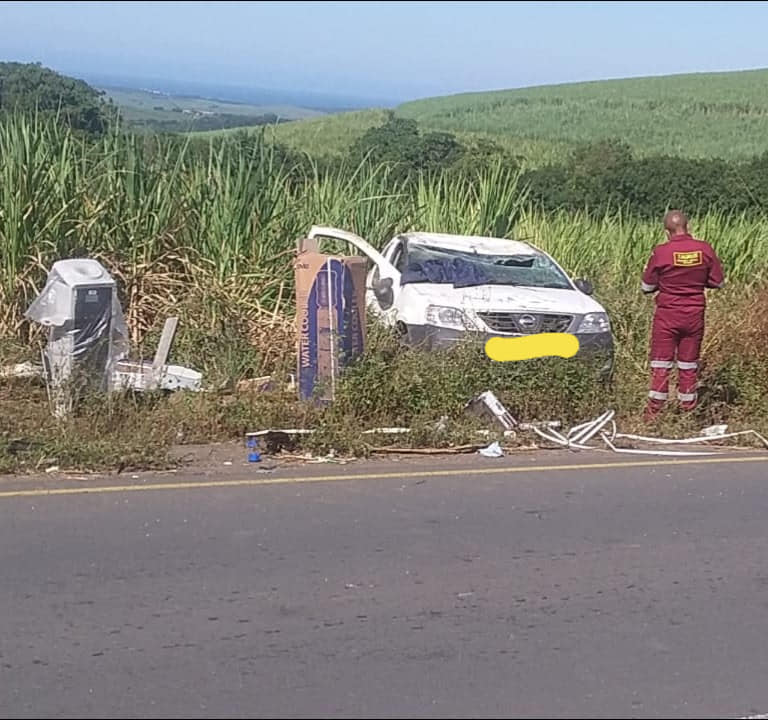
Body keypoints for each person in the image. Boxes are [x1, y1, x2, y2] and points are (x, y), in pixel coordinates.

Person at [641, 210, 725, 421]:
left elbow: (646, 286)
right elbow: (718, 282)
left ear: (666, 231)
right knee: (689, 365)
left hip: (667, 315)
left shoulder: (661, 252)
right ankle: (688, 412)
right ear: (688, 226)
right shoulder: (704, 249)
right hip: (695, 315)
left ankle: (653, 415)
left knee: (661, 365)